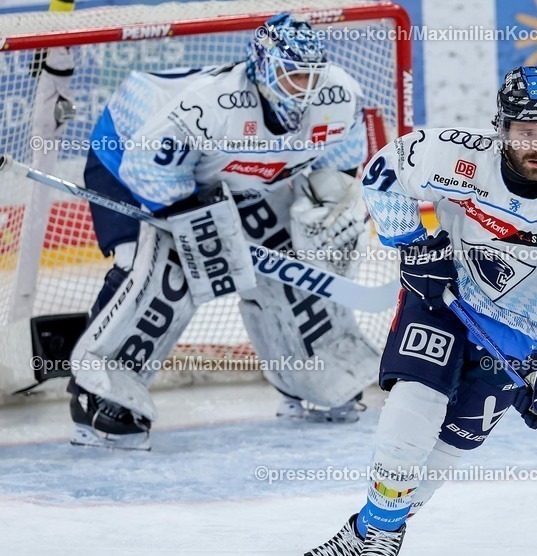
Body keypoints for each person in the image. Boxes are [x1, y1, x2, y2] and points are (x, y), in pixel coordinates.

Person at [293, 66, 537, 556]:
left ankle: (368, 528)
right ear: (501, 128)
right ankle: (387, 535)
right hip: (443, 297)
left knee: (449, 447)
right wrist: (413, 244)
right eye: (524, 131)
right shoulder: (456, 155)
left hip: (514, 333)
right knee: (412, 410)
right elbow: (382, 174)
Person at [69, 13, 379, 450]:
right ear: (263, 68)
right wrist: (202, 229)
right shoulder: (211, 107)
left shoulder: (338, 93)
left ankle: (312, 378)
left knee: (290, 260)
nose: (303, 89)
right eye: (291, 76)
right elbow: (147, 170)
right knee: (163, 272)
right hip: (129, 155)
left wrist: (329, 201)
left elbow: (340, 159)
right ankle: (98, 397)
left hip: (229, 177)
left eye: (311, 76)